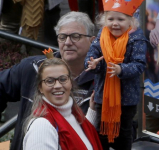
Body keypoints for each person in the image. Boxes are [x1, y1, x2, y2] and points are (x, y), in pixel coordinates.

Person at [0, 11, 95, 150]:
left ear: (92, 41)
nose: (68, 42)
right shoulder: (32, 68)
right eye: (62, 37)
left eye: (75, 36)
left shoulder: (102, 80)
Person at [85, 0, 147, 149]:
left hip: (127, 98)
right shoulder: (102, 36)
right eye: (111, 19)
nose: (115, 24)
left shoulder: (137, 38)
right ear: (104, 20)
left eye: (121, 19)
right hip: (103, 96)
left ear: (131, 20)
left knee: (124, 132)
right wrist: (93, 64)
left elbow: (139, 65)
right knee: (101, 131)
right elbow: (91, 56)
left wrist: (121, 70)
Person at [23, 57, 102, 150]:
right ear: (40, 87)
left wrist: (92, 110)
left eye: (63, 79)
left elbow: (80, 135)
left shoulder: (75, 116)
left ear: (71, 83)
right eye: (50, 81)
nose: (57, 85)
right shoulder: (42, 127)